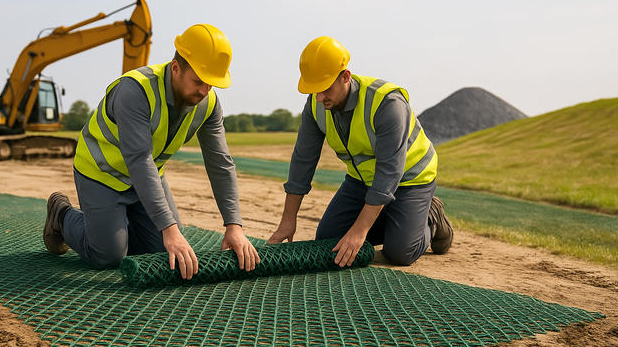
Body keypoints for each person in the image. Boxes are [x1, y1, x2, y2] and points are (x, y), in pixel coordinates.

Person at [44, 23, 260, 279]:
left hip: (146, 179)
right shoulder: (134, 90)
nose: (204, 91)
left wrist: (234, 226)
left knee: (163, 255)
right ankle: (62, 215)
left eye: (211, 84)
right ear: (176, 68)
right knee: (109, 256)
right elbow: (139, 158)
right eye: (199, 81)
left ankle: (119, 229)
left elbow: (220, 163)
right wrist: (168, 228)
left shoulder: (208, 103)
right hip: (101, 173)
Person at [268, 36, 453, 266]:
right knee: (329, 240)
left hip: (410, 179)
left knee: (399, 253)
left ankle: (431, 217)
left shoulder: (387, 104)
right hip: (362, 181)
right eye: (314, 89)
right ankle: (393, 218)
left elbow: (389, 172)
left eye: (324, 88)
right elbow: (302, 161)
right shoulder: (315, 105)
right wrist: (287, 221)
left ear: (345, 76)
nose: (319, 97)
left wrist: (359, 231)